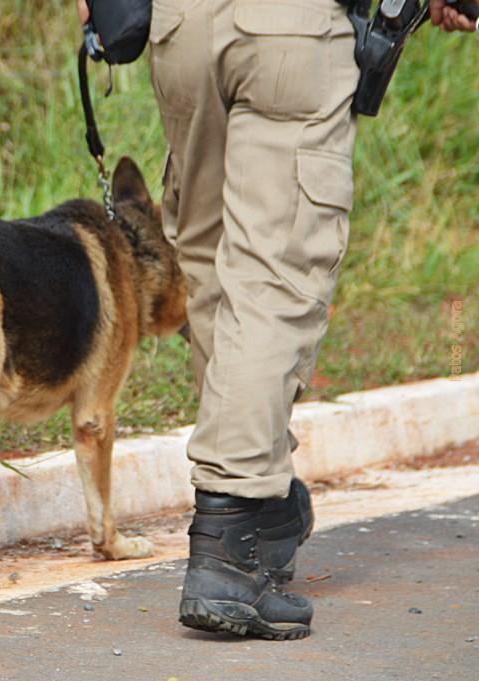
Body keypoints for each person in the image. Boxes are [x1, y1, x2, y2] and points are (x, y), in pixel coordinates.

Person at [76, 0, 475, 640]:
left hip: (183, 32)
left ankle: (263, 499)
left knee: (209, 271)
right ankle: (230, 539)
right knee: (273, 275)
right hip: (287, 30)